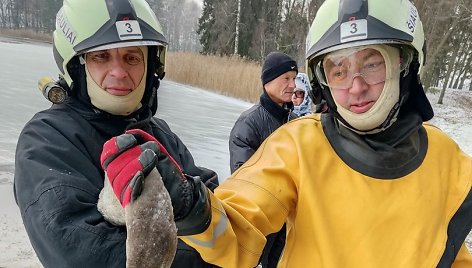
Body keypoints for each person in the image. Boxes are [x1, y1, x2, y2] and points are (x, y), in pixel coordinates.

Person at [155, 0, 472, 267]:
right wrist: (195, 210)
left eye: (373, 64)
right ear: (324, 82)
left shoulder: (450, 165)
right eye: (339, 70)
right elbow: (238, 228)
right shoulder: (297, 147)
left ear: (405, 65)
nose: (356, 86)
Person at [13, 0, 218, 267]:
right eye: (101, 56)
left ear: (151, 66)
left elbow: (228, 215)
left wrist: (192, 202)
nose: (120, 72)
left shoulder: (161, 135)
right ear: (77, 65)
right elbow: (84, 252)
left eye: (132, 57)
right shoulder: (46, 140)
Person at [228, 51, 298, 267]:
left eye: (294, 78)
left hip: (289, 226)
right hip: (260, 225)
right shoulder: (248, 124)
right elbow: (243, 180)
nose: (292, 85)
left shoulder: (296, 123)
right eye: (286, 78)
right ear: (268, 81)